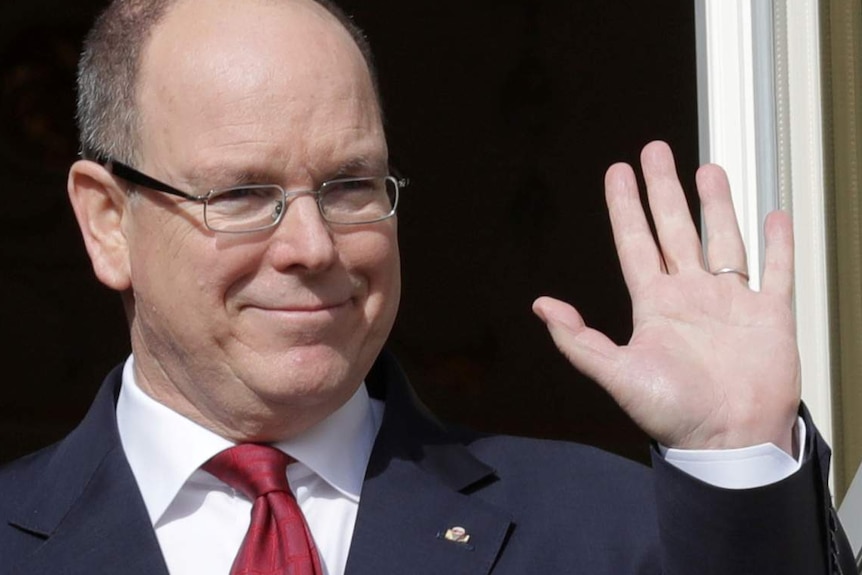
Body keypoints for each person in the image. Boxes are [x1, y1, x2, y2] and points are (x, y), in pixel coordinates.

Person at [0, 0, 853, 573]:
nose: (311, 244)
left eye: (349, 186)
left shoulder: (611, 530)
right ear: (108, 222)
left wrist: (737, 458)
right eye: (244, 194)